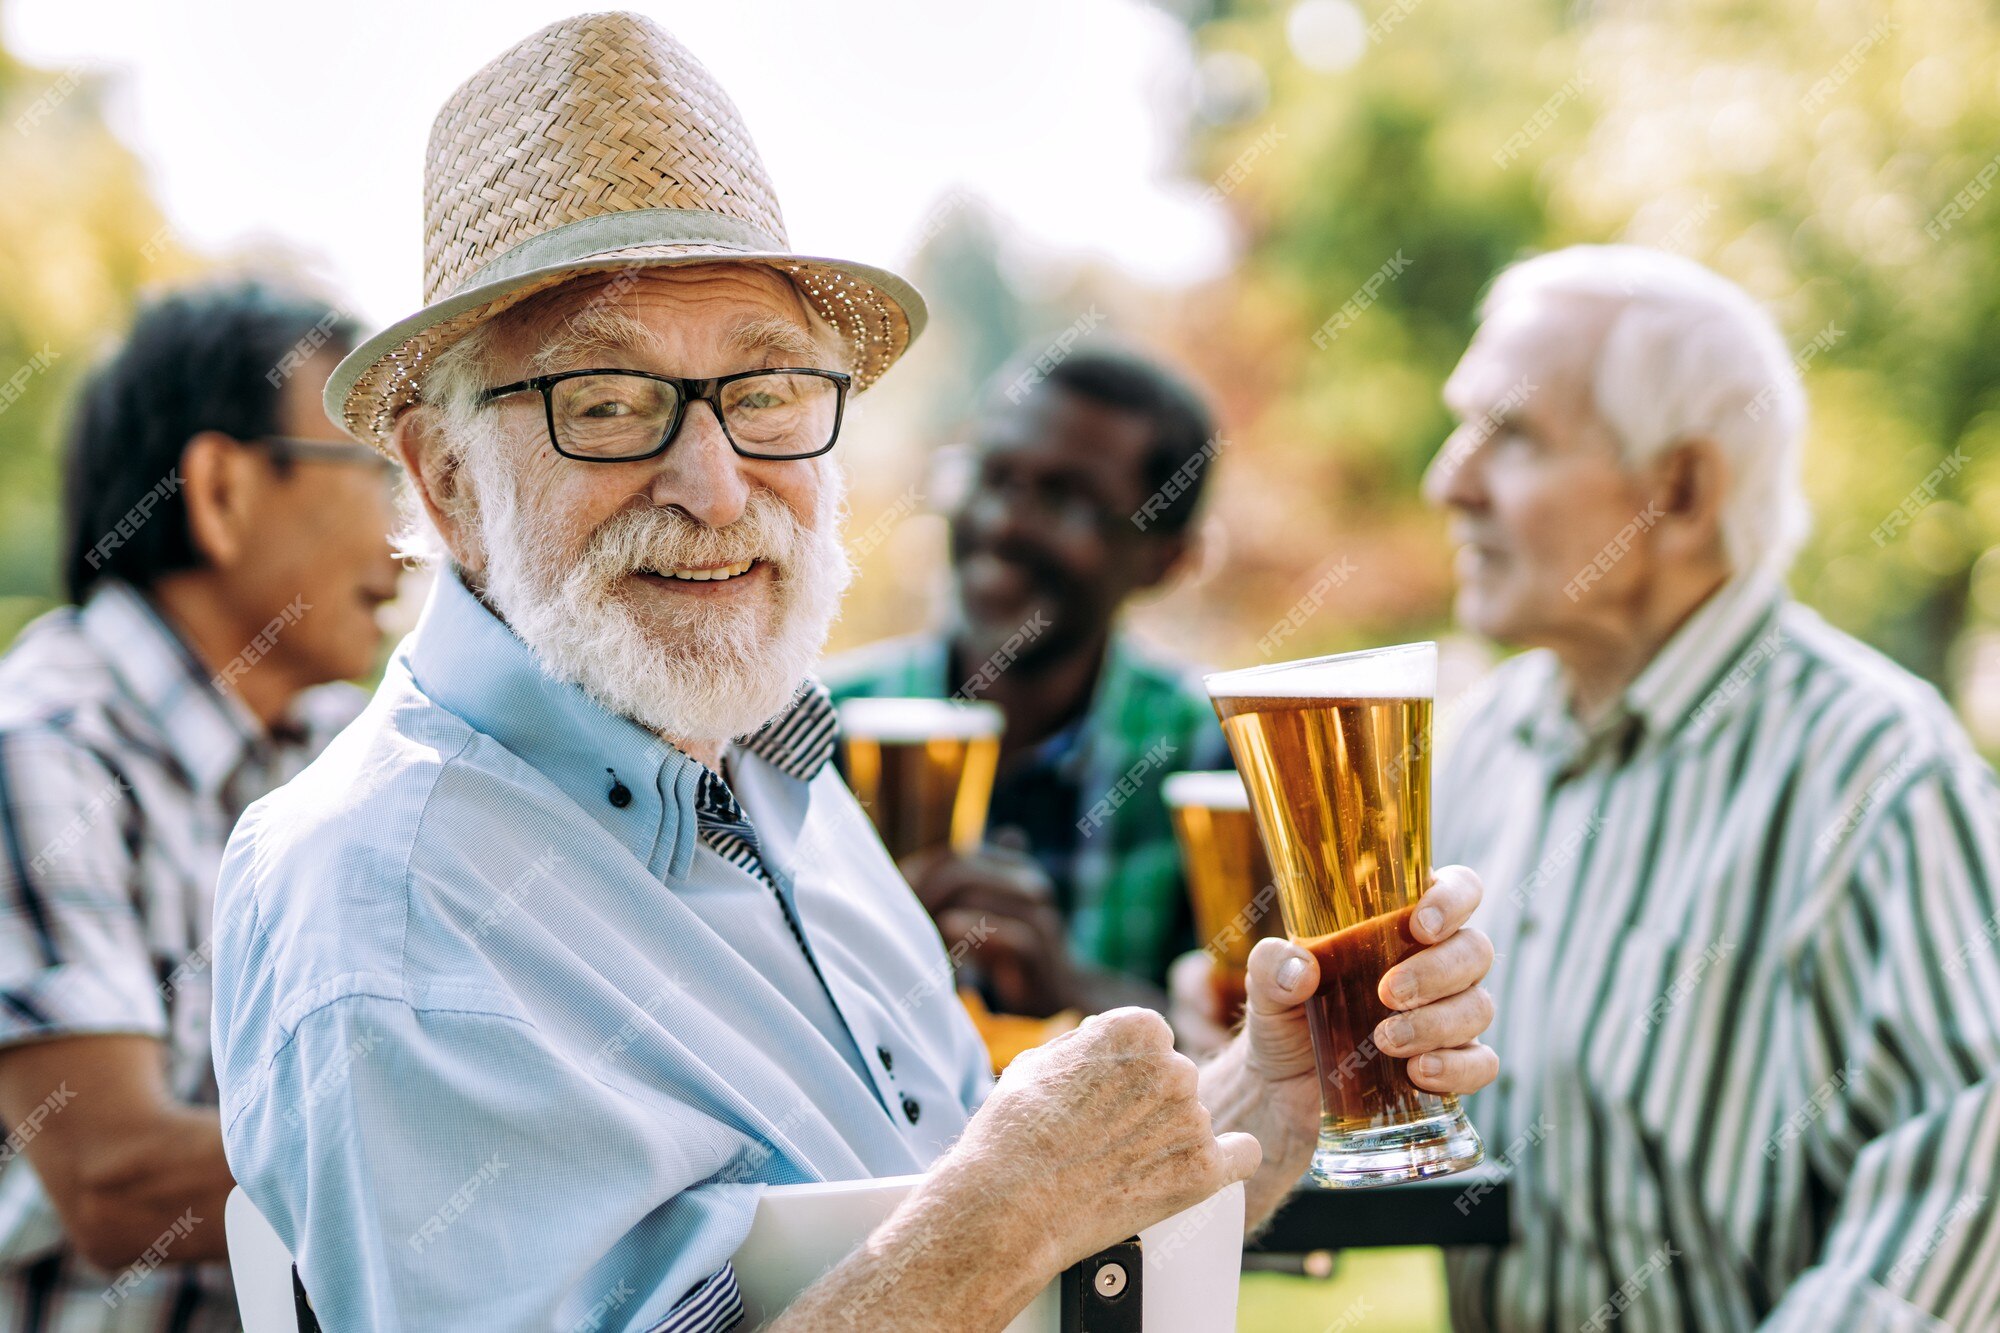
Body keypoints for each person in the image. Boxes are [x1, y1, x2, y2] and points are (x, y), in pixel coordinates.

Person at [208, 15, 1499, 1331]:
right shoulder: (385, 899)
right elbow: (990, 1223)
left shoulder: (776, 775)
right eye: (603, 403)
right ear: (446, 478)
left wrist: (1265, 1103)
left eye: (765, 392)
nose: (714, 489)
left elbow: (1006, 1229)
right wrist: (1000, 1220)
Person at [1424, 244, 2000, 1329]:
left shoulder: (1875, 765)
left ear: (1677, 492)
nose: (1447, 480)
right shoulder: (1488, 741)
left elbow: (1968, 1186)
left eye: (1510, 436)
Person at [0, 281, 399, 1328]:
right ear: (221, 491)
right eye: (370, 467)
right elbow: (110, 1178)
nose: (405, 534)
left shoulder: (335, 747)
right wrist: (476, 1124)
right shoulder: (39, 752)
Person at [826, 345, 1231, 1017]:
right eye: (994, 476)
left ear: (1166, 559)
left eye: (1068, 499)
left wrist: (1069, 993)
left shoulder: (1220, 757)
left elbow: (1265, 1058)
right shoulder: (814, 728)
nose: (1005, 521)